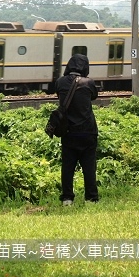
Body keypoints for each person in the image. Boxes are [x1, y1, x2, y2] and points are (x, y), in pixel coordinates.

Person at [56, 53, 99, 206]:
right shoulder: (89, 83)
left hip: (68, 132)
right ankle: (91, 198)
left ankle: (67, 198)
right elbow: (93, 96)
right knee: (89, 166)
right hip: (88, 131)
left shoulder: (60, 82)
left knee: (67, 167)